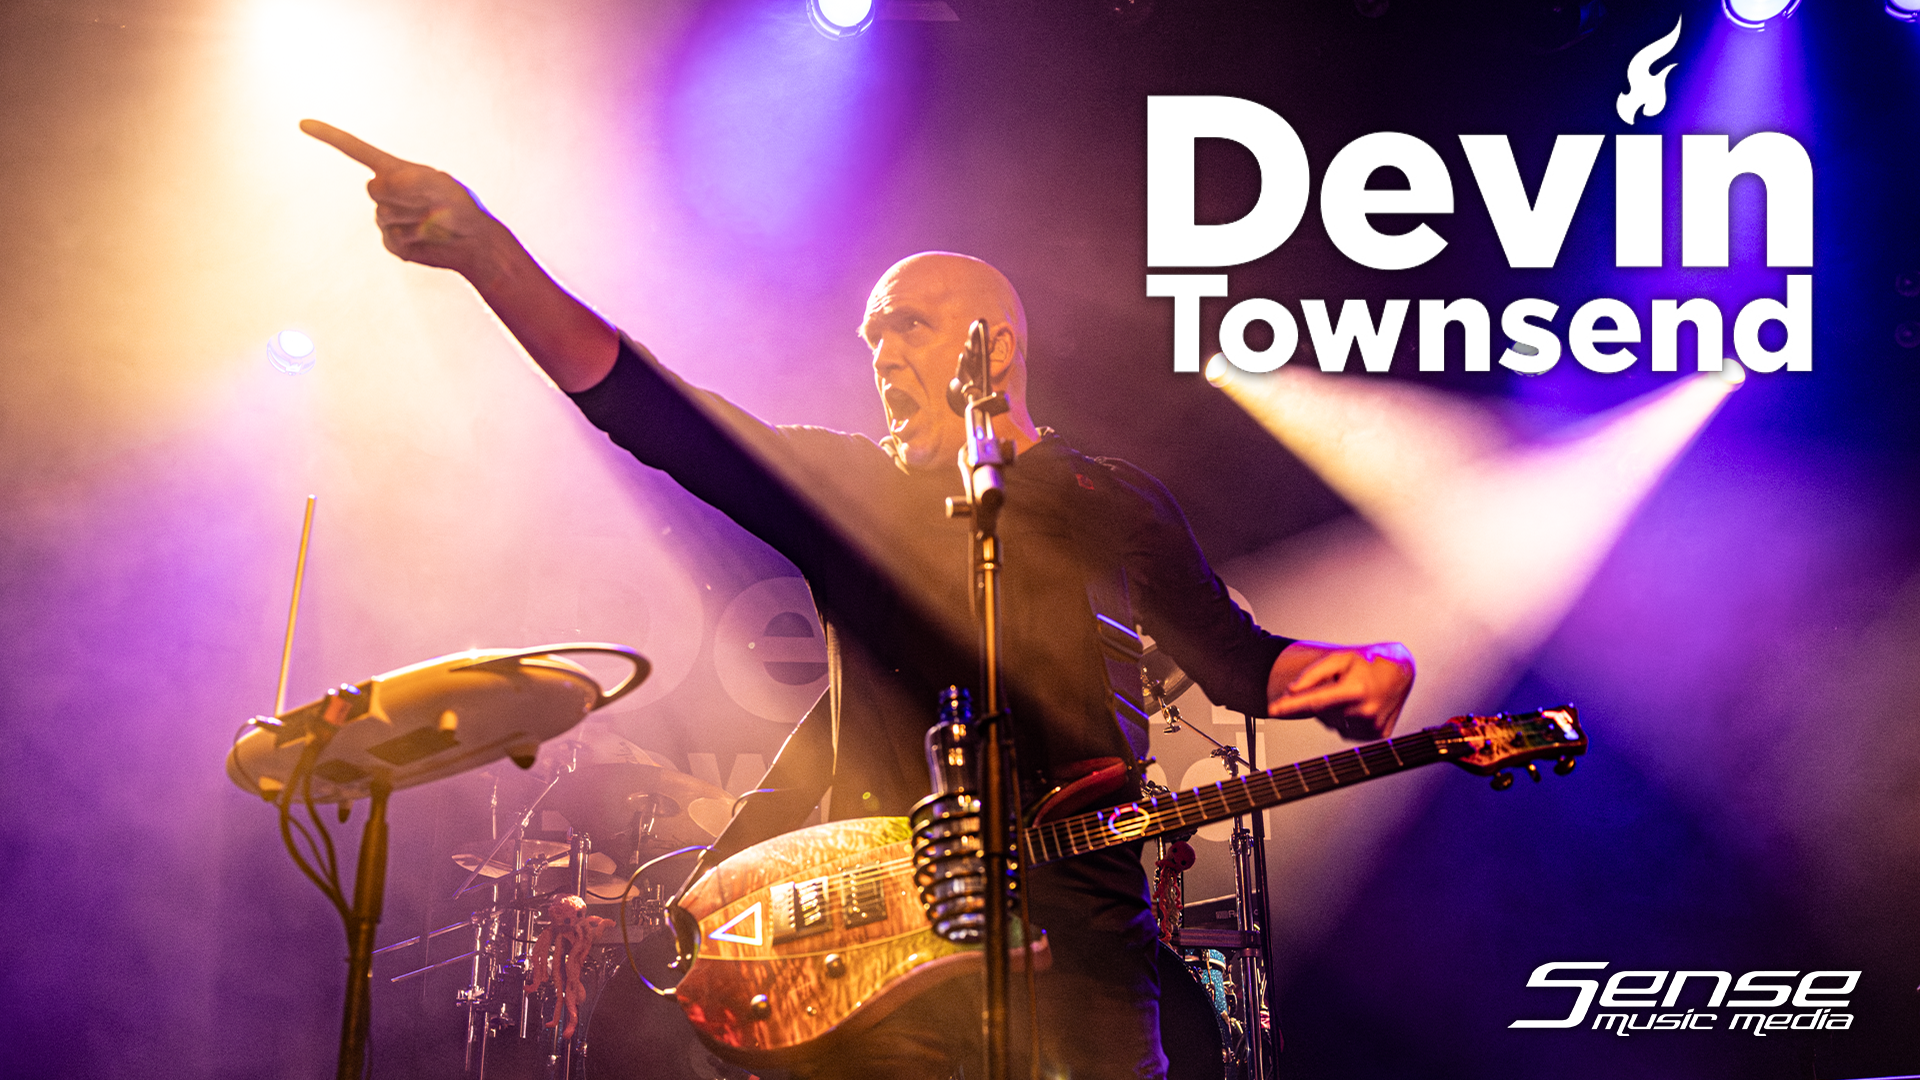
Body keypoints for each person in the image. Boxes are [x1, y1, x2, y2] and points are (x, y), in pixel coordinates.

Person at [301, 119, 1416, 1080]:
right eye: (872, 333)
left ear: (995, 346)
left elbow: (1238, 661)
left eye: (908, 325)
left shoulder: (1109, 498)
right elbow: (651, 409)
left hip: (1079, 935)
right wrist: (489, 254)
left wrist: (1342, 673)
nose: (880, 351)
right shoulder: (847, 490)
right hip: (882, 951)